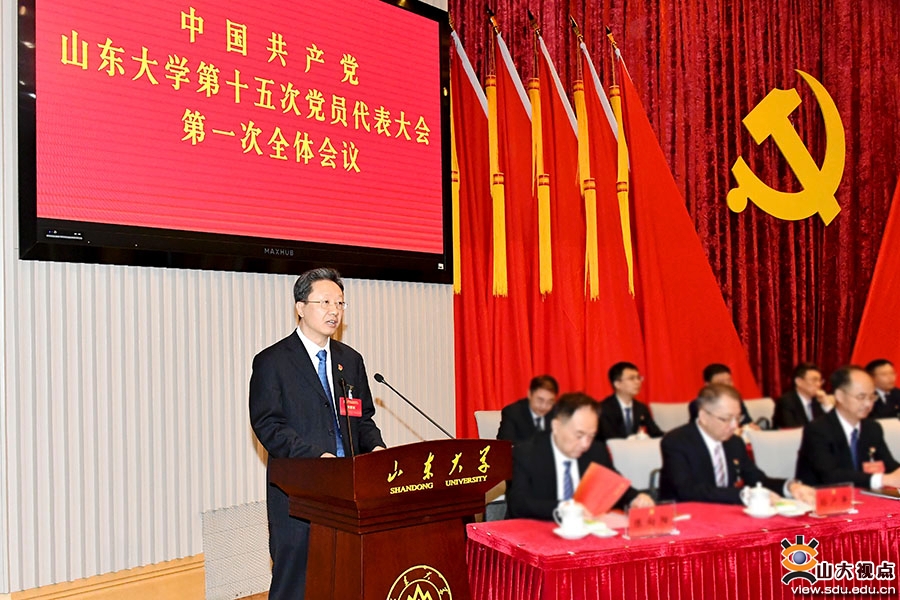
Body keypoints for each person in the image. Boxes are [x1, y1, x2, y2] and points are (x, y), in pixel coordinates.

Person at [249, 268, 386, 600]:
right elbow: (268, 424)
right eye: (324, 302)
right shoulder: (273, 361)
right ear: (300, 307)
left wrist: (377, 448)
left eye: (339, 303)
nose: (334, 311)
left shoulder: (350, 360)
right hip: (299, 492)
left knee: (346, 580)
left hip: (348, 491)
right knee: (296, 584)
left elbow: (362, 417)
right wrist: (317, 457)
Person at [659, 383, 815, 505]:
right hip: (686, 516)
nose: (734, 426)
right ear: (703, 416)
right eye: (726, 419)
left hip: (726, 514)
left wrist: (790, 487)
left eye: (738, 418)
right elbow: (687, 490)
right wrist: (742, 495)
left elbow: (756, 479)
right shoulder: (676, 441)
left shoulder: (734, 442)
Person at [506, 392, 655, 519]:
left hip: (584, 532)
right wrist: (565, 508)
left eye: (591, 436)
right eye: (579, 435)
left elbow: (615, 485)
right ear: (556, 426)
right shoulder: (526, 453)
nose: (585, 444)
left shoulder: (596, 450)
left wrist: (635, 498)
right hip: (536, 531)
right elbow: (518, 504)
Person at [795, 366, 900, 489]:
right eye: (861, 397)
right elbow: (830, 475)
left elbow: (889, 465)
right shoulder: (818, 429)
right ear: (839, 396)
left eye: (872, 397)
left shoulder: (872, 428)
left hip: (863, 494)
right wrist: (882, 479)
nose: (868, 404)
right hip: (823, 496)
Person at [599, 362, 663, 440]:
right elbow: (609, 438)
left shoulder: (641, 408)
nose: (637, 382)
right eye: (631, 378)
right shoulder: (603, 409)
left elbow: (656, 433)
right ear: (617, 384)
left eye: (638, 378)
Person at [687, 364, 756, 429]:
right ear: (708, 385)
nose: (727, 385)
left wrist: (751, 427)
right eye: (721, 383)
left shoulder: (736, 401)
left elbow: (747, 423)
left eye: (729, 381)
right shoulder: (698, 405)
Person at [497, 374, 559, 443]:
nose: (544, 406)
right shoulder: (512, 413)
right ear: (529, 394)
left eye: (550, 402)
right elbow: (505, 444)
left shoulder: (557, 413)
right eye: (540, 400)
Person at [772, 362, 829, 429]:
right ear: (798, 382)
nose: (818, 384)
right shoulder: (786, 402)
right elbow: (791, 429)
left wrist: (827, 405)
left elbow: (834, 426)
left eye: (820, 380)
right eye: (814, 380)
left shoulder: (818, 400)